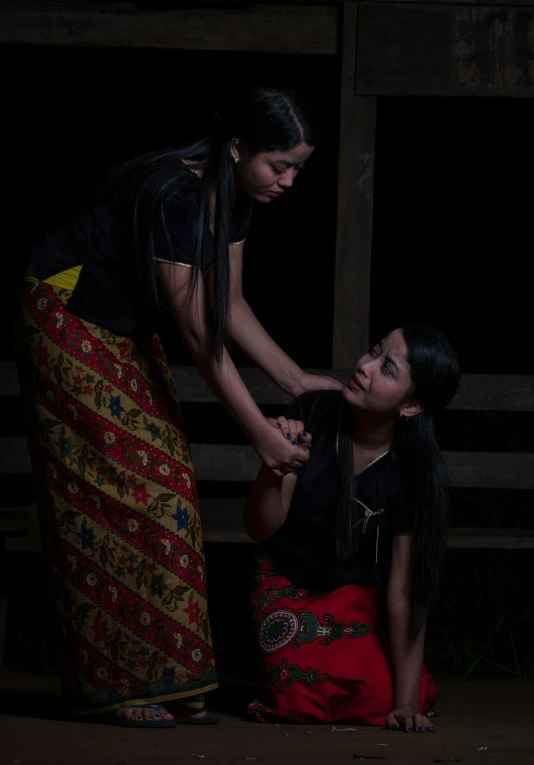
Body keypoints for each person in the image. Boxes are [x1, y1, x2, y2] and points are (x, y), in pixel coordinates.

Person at [13, 87, 341, 728]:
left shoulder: (236, 197)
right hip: (65, 315)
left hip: (123, 326)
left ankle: (171, 672)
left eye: (299, 166)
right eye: (281, 164)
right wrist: (262, 439)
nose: (290, 180)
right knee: (118, 488)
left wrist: (296, 379)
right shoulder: (173, 194)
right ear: (239, 147)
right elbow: (200, 340)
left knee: (168, 482)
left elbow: (231, 307)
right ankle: (122, 683)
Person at [244, 325, 460, 730]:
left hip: (354, 599)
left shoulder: (409, 473)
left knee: (391, 693)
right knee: (301, 695)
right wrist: (275, 467)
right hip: (285, 582)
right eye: (374, 352)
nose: (365, 366)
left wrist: (407, 703)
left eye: (387, 369)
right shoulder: (312, 411)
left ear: (411, 406)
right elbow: (260, 528)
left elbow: (403, 593)